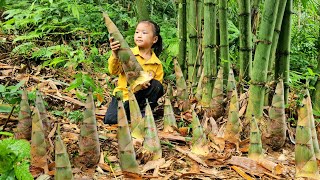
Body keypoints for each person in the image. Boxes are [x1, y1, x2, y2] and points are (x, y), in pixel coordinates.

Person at [104, 20, 164, 124]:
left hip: (140, 98)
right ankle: (131, 115)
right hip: (123, 95)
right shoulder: (126, 53)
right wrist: (114, 54)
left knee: (157, 85)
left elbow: (157, 90)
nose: (139, 36)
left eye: (144, 33)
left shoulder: (157, 64)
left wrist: (146, 84)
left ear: (154, 39)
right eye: (137, 32)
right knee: (111, 120)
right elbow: (113, 71)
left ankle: (143, 113)